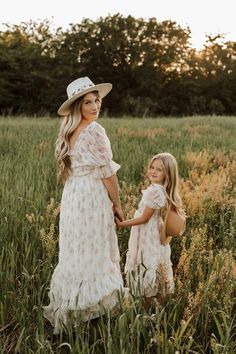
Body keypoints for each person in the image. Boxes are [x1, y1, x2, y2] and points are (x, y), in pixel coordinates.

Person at [43, 77, 126, 334]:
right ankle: (92, 308)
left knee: (77, 248)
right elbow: (107, 173)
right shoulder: (94, 130)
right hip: (91, 195)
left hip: (73, 195)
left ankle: (74, 306)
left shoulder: (69, 130)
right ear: (78, 105)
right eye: (88, 102)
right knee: (96, 247)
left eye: (97, 100)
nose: (94, 106)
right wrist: (118, 204)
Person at [115, 152, 185, 306]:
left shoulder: (154, 192)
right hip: (155, 235)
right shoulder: (162, 190)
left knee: (147, 265)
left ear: (167, 174)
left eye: (158, 170)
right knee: (156, 264)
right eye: (152, 167)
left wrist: (122, 224)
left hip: (148, 236)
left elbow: (144, 218)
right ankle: (159, 307)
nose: (153, 171)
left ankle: (147, 308)